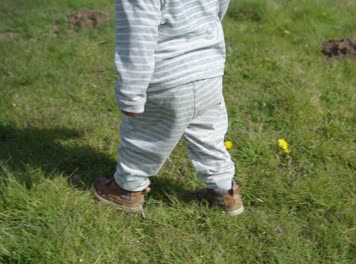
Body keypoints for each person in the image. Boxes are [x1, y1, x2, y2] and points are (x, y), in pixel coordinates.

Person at [91, 0, 244, 216]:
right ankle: (225, 192)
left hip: (168, 76)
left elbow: (137, 39)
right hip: (208, 69)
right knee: (209, 134)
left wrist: (131, 94)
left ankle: (126, 190)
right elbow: (219, 7)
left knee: (143, 137)